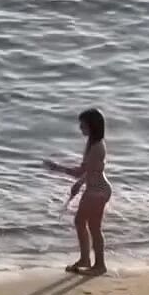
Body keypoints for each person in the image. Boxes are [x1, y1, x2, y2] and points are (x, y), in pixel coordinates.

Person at [44, 108, 111, 276]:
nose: (80, 127)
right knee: (83, 223)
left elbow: (81, 171)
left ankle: (98, 264)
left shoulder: (96, 147)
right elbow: (91, 171)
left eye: (83, 124)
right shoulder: (93, 143)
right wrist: (80, 185)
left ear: (92, 126)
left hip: (97, 192)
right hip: (95, 189)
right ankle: (87, 260)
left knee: (90, 226)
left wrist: (57, 168)